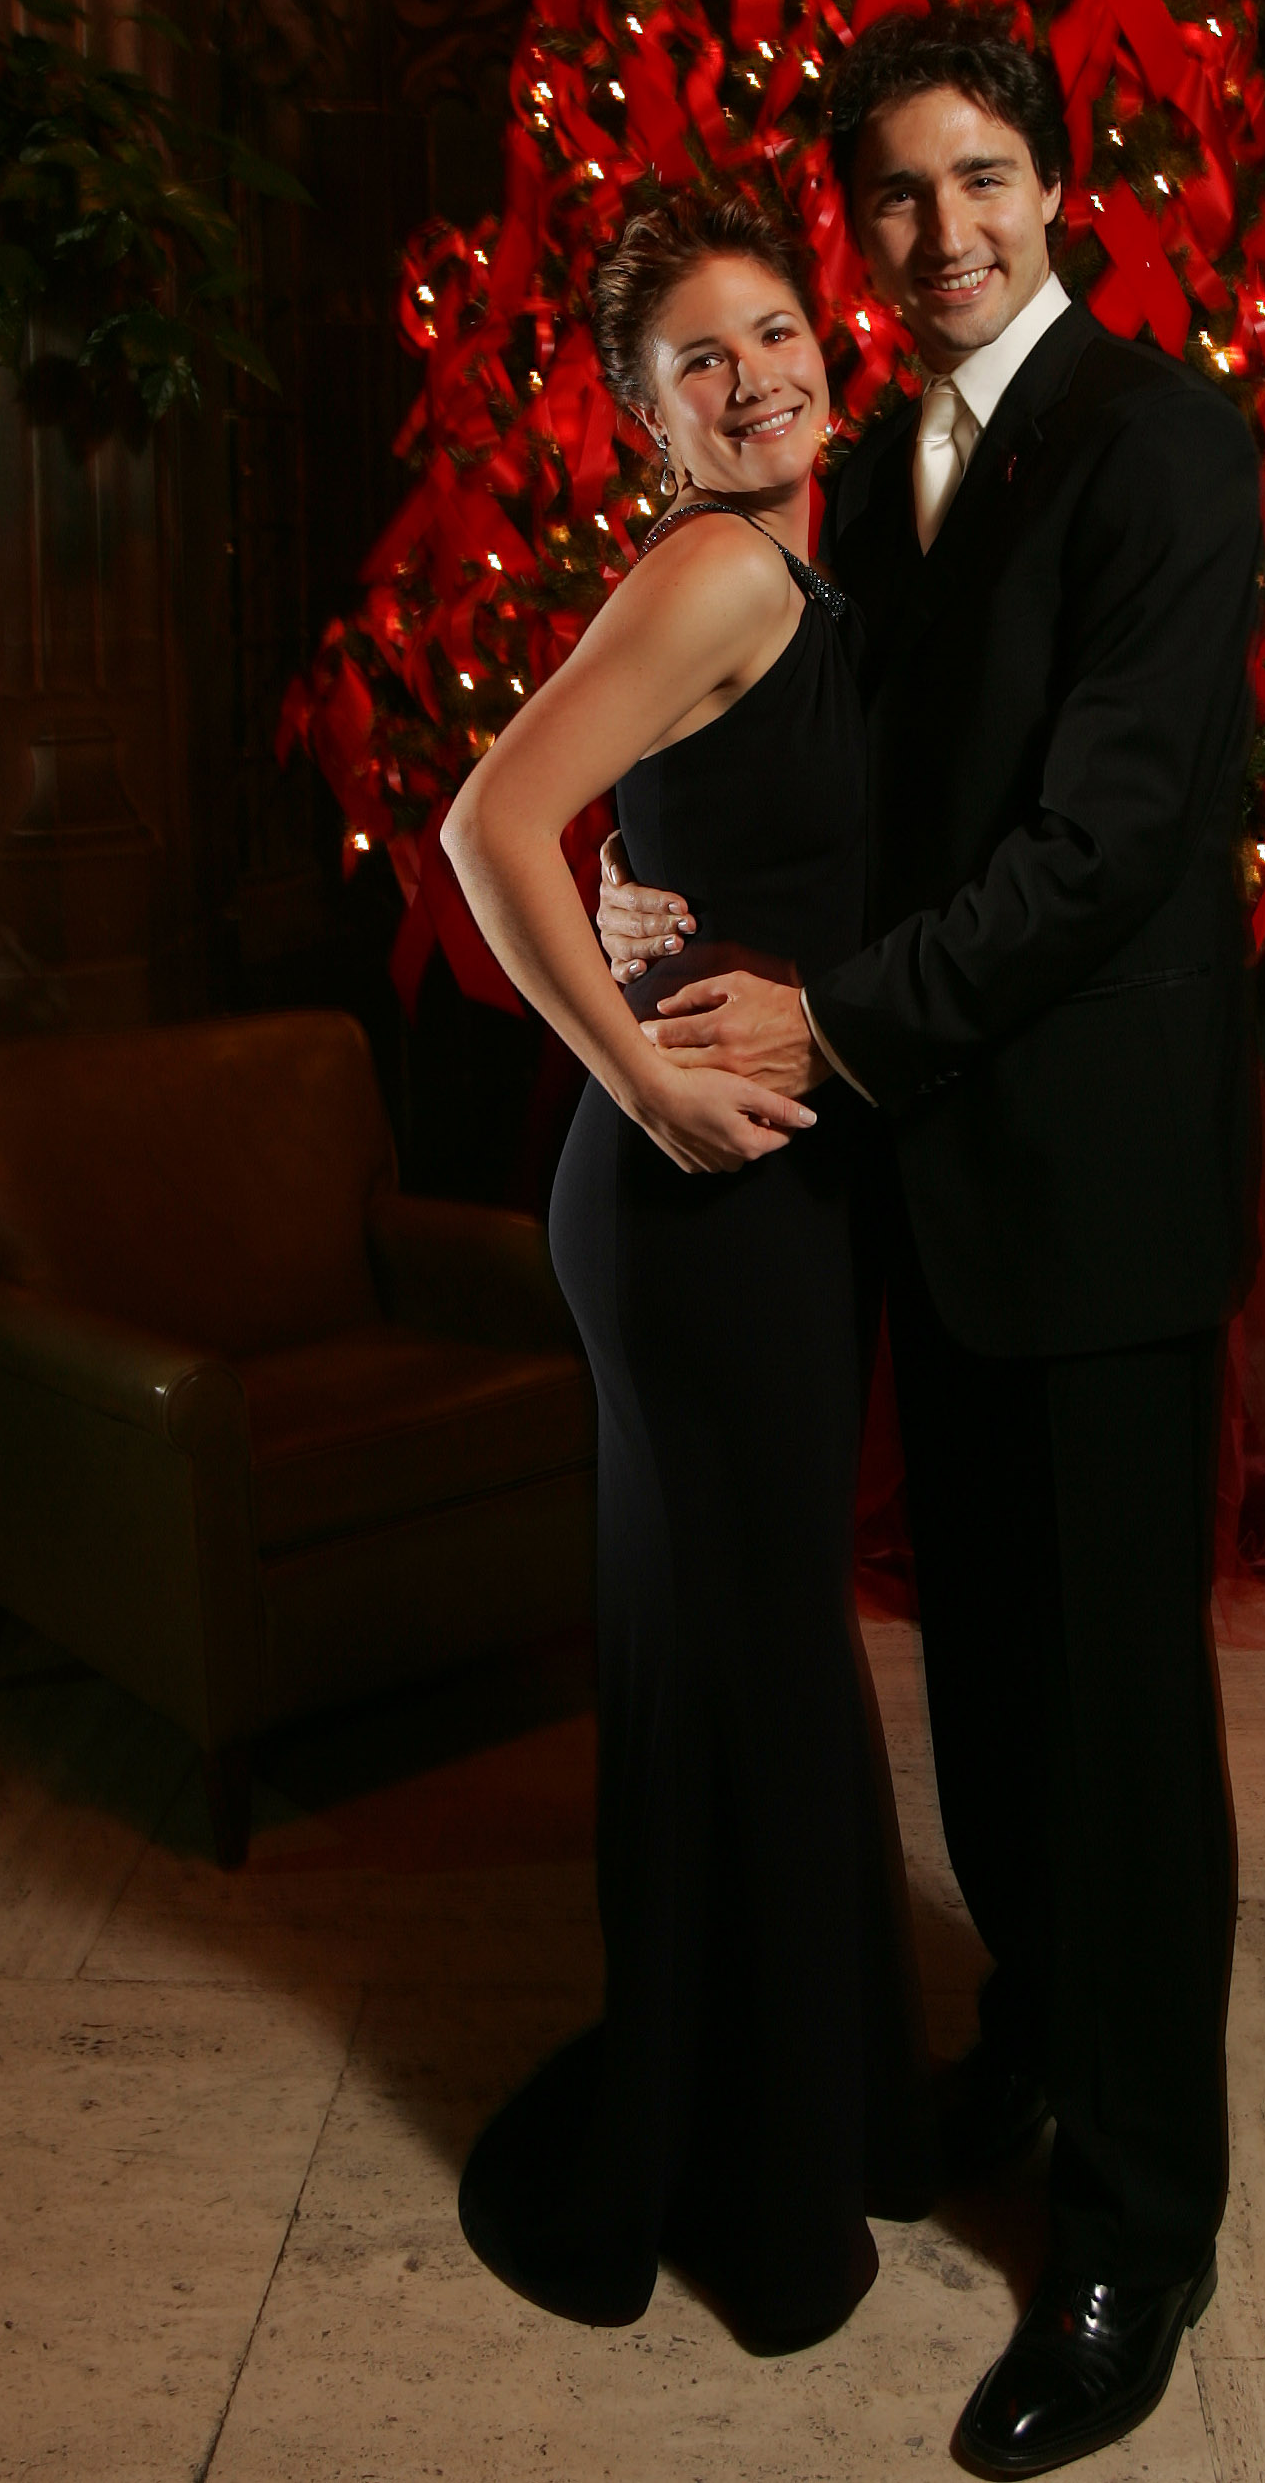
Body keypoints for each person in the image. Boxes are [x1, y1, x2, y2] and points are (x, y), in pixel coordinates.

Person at [598, 10, 1264, 2480]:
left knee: (1118, 1723)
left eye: (978, 174)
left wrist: (835, 1008)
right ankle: (1037, 2038)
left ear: (1054, 177)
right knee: (989, 1688)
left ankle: (1139, 2224)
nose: (937, 229)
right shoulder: (864, 475)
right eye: (891, 195)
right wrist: (647, 852)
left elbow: (1101, 840)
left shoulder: (1167, 445)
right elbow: (803, 753)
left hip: (1086, 1199)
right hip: (923, 1197)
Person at [440, 189, 931, 2352]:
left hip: (767, 1185)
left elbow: (743, 841)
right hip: (685, 1196)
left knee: (733, 1655)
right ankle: (763, 2180)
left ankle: (768, 2102)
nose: (753, 380)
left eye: (772, 334)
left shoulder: (824, 572)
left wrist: (690, 923)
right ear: (646, 421)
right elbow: (483, 823)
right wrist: (631, 1071)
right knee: (753, 1668)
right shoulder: (720, 564)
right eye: (696, 364)